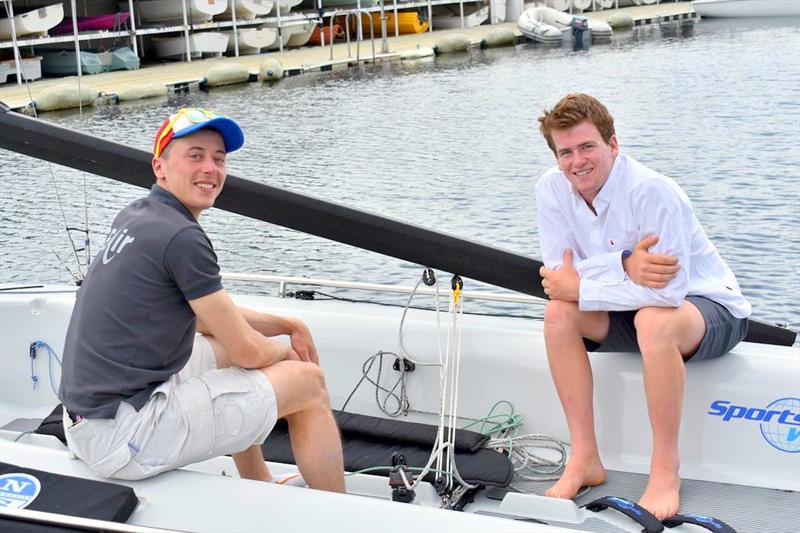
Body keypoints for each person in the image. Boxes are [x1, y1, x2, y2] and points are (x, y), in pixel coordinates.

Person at [59, 108, 345, 492]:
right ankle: (337, 513)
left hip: (87, 421)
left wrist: (287, 326)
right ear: (159, 166)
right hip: (125, 437)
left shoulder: (138, 216)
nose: (210, 168)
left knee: (222, 351)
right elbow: (246, 351)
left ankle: (259, 481)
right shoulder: (182, 237)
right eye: (195, 155)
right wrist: (283, 356)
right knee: (307, 382)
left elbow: (211, 320)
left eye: (219, 159)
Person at [534, 94, 750, 519]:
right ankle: (585, 460)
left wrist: (588, 282)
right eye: (566, 152)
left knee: (654, 320)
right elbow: (562, 279)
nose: (578, 161)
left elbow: (668, 294)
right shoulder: (551, 189)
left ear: (613, 145)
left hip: (709, 307)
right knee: (558, 314)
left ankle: (665, 471)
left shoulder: (652, 192)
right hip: (633, 308)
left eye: (588, 147)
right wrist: (625, 265)